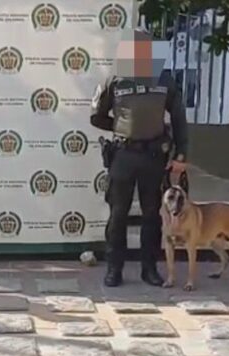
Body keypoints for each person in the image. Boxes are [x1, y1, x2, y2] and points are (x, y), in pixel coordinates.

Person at [90, 29, 189, 287]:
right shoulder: (116, 80)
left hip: (153, 156)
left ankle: (149, 269)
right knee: (118, 215)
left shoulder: (164, 80)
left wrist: (181, 154)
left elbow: (179, 118)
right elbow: (97, 116)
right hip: (123, 155)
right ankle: (114, 269)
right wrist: (122, 127)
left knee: (152, 215)